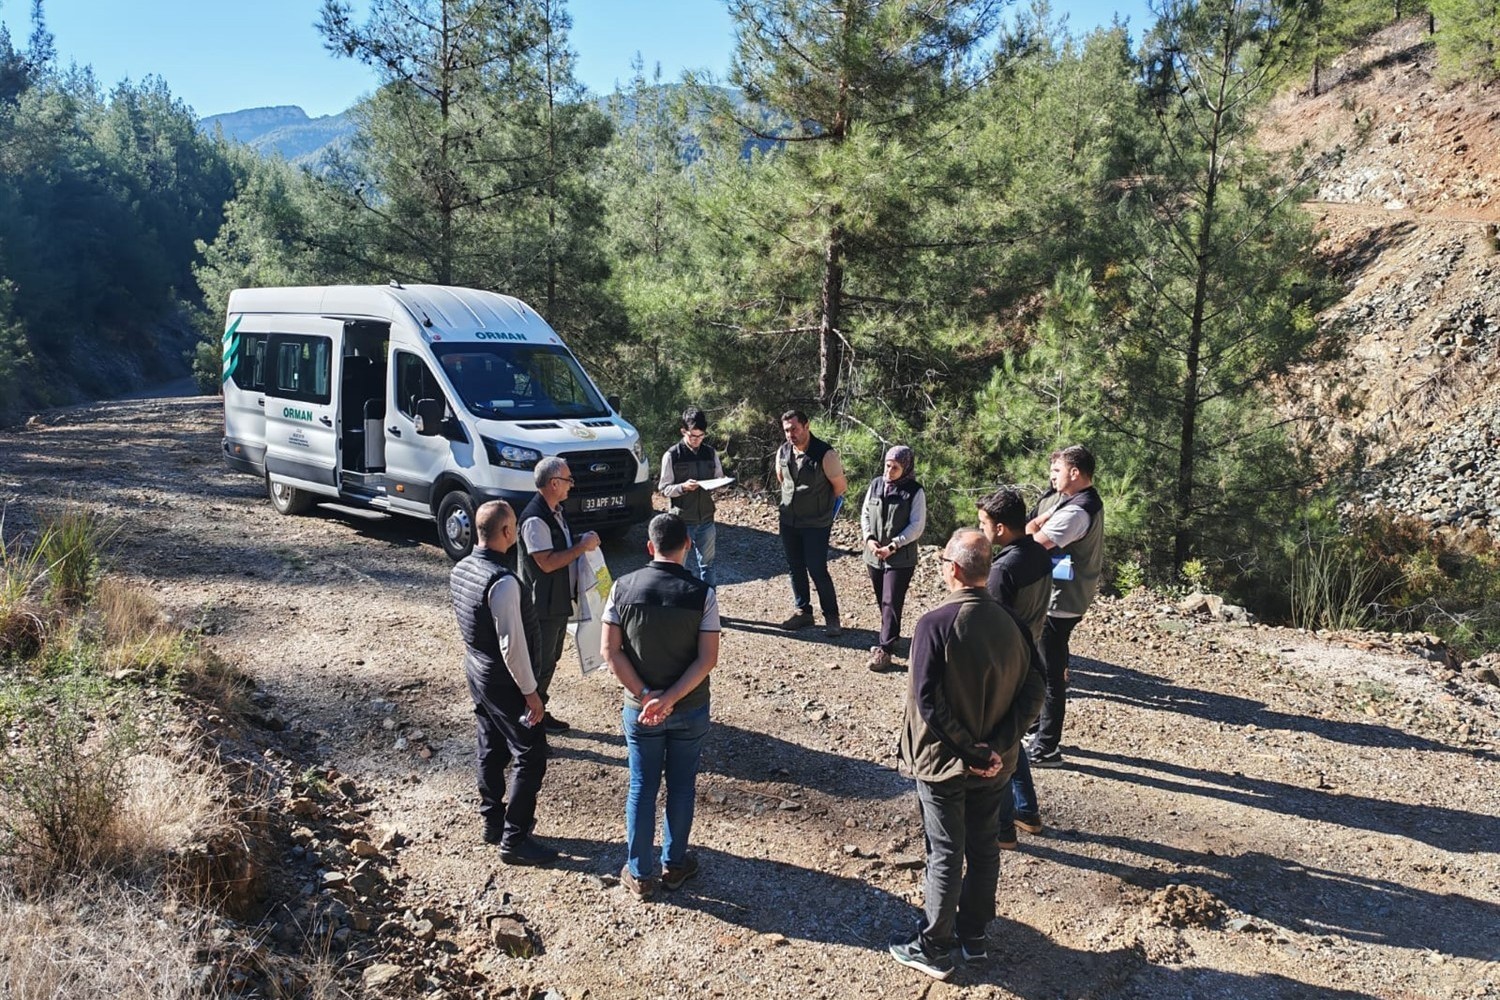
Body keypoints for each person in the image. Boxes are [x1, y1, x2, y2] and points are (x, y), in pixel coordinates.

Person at [890, 529, 1045, 980]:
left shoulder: (935, 624)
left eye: (941, 560)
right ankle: (973, 938)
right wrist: (998, 746)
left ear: (953, 569)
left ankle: (934, 945)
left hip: (943, 763)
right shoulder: (1013, 623)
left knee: (944, 851)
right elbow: (1037, 688)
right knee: (982, 848)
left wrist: (970, 749)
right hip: (996, 766)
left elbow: (927, 700)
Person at [601, 512, 722, 900]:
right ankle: (674, 864)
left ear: (650, 547)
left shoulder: (621, 588)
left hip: (639, 710)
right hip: (689, 709)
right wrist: (670, 699)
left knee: (642, 787)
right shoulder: (703, 594)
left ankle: (639, 872)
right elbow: (707, 660)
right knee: (682, 786)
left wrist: (647, 695)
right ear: (688, 544)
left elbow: (609, 651)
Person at [448, 500, 559, 866]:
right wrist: (532, 695)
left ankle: (492, 821)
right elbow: (512, 645)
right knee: (531, 755)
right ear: (508, 533)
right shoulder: (504, 583)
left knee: (490, 744)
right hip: (502, 679)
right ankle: (515, 839)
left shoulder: (461, 568)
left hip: (475, 669)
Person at [977, 487, 1052, 847]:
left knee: (999, 743)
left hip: (1008, 664)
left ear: (1002, 529)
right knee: (1013, 737)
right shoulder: (1039, 552)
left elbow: (992, 625)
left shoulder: (1002, 569)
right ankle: (1027, 811)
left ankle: (1003, 827)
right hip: (1032, 652)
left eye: (984, 524)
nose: (982, 531)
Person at [1023, 445, 1105, 767]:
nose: (1051, 476)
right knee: (1044, 667)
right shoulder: (1079, 502)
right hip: (1064, 598)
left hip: (1059, 603)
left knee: (1050, 675)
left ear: (1074, 473)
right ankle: (1036, 729)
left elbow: (1033, 546)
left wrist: (1031, 529)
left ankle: (1046, 748)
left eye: (1056, 471)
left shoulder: (1076, 511)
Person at [518, 456, 602, 733]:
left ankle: (537, 712)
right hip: (542, 605)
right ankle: (528, 724)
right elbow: (547, 562)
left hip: (555, 601)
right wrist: (582, 547)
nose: (571, 485)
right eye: (568, 480)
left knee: (549, 659)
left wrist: (580, 541)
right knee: (537, 664)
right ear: (554, 483)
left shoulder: (553, 510)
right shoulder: (534, 519)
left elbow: (560, 546)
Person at [775, 409, 847, 636]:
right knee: (795, 566)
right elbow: (782, 479)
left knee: (817, 568)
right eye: (787, 430)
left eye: (794, 429)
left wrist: (821, 509)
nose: (790, 434)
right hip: (789, 520)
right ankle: (803, 611)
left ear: (807, 426)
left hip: (816, 523)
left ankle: (832, 617)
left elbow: (840, 487)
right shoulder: (783, 451)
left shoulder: (825, 454)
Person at [860, 444, 926, 671]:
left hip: (900, 557)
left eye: (895, 467)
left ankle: (885, 649)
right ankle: (893, 636)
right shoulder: (876, 485)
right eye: (887, 465)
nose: (889, 471)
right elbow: (866, 513)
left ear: (905, 467)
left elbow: (917, 525)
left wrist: (893, 545)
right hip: (874, 554)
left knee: (891, 599)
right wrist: (869, 539)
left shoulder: (915, 491)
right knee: (883, 599)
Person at [658, 407, 724, 589]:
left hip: (707, 519)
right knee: (678, 566)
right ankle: (680, 605)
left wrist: (719, 482)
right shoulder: (672, 455)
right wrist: (682, 487)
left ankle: (709, 605)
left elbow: (719, 476)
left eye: (701, 436)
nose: (696, 441)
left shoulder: (710, 453)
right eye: (692, 436)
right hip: (682, 520)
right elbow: (663, 488)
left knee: (708, 565)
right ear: (683, 431)